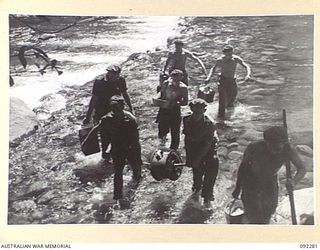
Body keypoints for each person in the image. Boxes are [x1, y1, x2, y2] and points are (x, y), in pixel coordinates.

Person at [231, 126, 306, 224]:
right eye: (271, 145)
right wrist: (237, 188)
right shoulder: (254, 147)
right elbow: (243, 168)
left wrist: (294, 181)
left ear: (284, 143)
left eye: (277, 146)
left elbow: (302, 168)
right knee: (254, 215)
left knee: (269, 211)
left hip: (270, 181)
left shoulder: (288, 150)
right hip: (251, 180)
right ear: (266, 141)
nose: (273, 150)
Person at [81, 95, 142, 202]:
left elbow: (136, 138)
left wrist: (138, 154)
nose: (116, 111)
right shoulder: (106, 119)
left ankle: (134, 189)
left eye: (118, 108)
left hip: (130, 147)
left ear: (122, 107)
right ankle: (118, 197)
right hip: (117, 148)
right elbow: (96, 129)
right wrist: (86, 140)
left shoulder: (130, 118)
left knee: (136, 170)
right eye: (113, 109)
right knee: (118, 172)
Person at [83, 65, 134, 159]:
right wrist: (88, 116)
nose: (115, 78)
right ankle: (104, 154)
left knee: (119, 132)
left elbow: (125, 94)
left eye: (116, 76)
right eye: (113, 76)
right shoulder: (99, 82)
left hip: (116, 109)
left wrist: (131, 108)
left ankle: (115, 152)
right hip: (101, 110)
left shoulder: (121, 80)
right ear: (108, 73)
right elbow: (94, 99)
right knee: (104, 134)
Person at [182, 98, 219, 208]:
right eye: (195, 111)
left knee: (210, 173)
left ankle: (207, 198)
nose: (197, 114)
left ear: (204, 110)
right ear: (191, 109)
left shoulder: (210, 124)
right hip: (195, 147)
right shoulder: (186, 119)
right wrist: (189, 157)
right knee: (197, 174)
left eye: (200, 111)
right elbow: (187, 138)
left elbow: (207, 145)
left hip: (209, 149)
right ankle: (196, 191)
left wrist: (197, 159)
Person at [205, 45, 251, 117]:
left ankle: (230, 115)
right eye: (226, 53)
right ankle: (220, 116)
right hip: (222, 81)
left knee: (232, 98)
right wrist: (208, 77)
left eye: (229, 52)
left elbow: (246, 66)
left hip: (232, 81)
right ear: (224, 53)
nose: (227, 54)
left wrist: (248, 75)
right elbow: (213, 68)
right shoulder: (220, 60)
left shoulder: (236, 59)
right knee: (222, 98)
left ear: (232, 52)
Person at [156, 69, 188, 150]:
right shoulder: (166, 84)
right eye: (174, 79)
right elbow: (161, 94)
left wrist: (177, 103)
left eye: (177, 80)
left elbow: (185, 102)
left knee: (175, 131)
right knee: (162, 130)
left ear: (181, 78)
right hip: (164, 109)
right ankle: (161, 148)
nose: (175, 81)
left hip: (175, 111)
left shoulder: (183, 88)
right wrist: (157, 100)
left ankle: (174, 150)